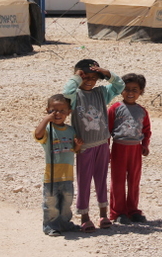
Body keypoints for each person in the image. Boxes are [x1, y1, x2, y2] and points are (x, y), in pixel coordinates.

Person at [63, 59, 125, 233]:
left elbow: (119, 86)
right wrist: (76, 77)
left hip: (102, 144)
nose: (89, 80)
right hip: (85, 147)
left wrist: (106, 73)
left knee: (101, 180)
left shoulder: (102, 93)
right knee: (84, 181)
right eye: (85, 77)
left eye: (93, 77)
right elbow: (66, 92)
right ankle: (84, 216)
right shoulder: (75, 96)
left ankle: (103, 214)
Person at [34, 94, 83, 237]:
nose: (58, 114)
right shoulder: (48, 130)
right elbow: (38, 135)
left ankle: (64, 223)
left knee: (66, 202)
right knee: (51, 203)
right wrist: (45, 120)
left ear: (69, 112)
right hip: (52, 176)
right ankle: (50, 226)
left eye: (62, 111)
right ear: (47, 110)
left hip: (67, 174)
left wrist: (78, 145)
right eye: (54, 111)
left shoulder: (70, 130)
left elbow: (74, 149)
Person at [108, 73, 151, 224]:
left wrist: (145, 145)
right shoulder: (115, 108)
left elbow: (146, 130)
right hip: (119, 148)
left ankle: (133, 210)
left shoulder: (142, 111)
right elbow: (108, 130)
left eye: (135, 89)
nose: (130, 93)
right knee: (118, 181)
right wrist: (106, 150)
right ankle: (118, 212)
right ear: (121, 91)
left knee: (134, 180)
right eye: (127, 89)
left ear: (141, 92)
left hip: (135, 150)